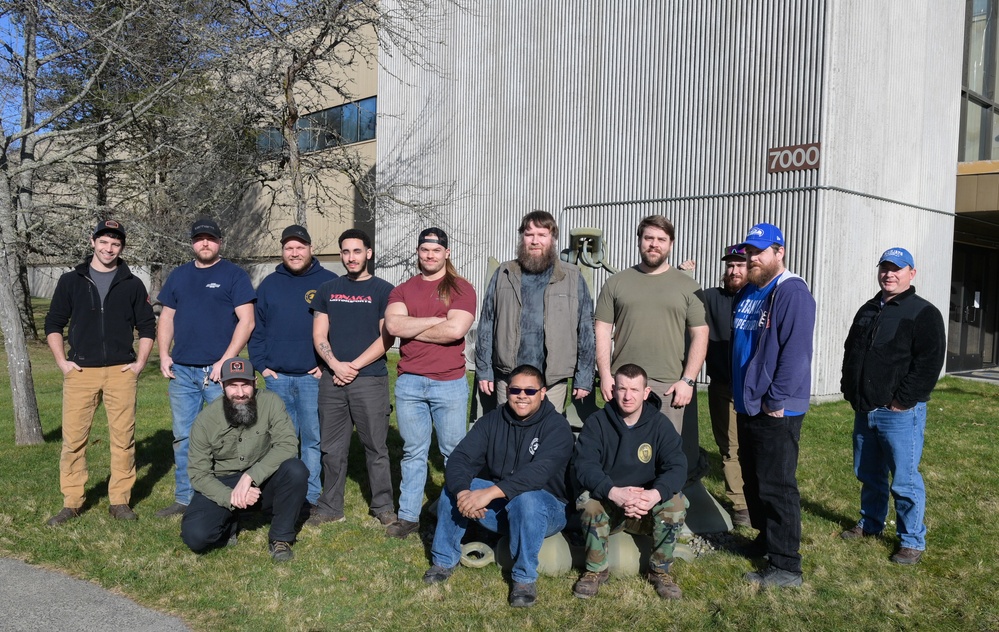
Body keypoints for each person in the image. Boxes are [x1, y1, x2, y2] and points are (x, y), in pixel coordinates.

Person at [422, 364, 573, 609]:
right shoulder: (493, 420)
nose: (522, 396)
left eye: (530, 391)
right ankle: (443, 561)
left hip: (548, 509)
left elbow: (537, 474)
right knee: (455, 484)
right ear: (508, 391)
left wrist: (487, 494)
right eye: (515, 390)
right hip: (503, 505)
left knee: (528, 499)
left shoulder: (557, 428)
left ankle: (523, 579)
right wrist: (464, 494)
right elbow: (460, 458)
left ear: (543, 393)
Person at [43, 220, 156, 525]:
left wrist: (140, 363)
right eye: (104, 242)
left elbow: (147, 326)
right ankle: (73, 501)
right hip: (81, 372)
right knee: (74, 440)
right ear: (92, 242)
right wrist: (62, 362)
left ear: (122, 248)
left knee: (123, 440)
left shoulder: (132, 283)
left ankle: (119, 501)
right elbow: (53, 324)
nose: (109, 248)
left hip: (121, 372)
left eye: (115, 244)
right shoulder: (71, 281)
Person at [840, 247, 945, 565]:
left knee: (904, 478)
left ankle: (911, 540)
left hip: (899, 413)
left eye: (897, 268)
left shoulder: (923, 312)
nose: (889, 273)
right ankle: (870, 523)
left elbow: (929, 363)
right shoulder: (868, 309)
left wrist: (903, 400)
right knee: (868, 473)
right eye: (885, 267)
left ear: (911, 273)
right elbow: (852, 350)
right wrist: (850, 389)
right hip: (865, 409)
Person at [731, 222, 815, 588]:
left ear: (779, 252)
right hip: (748, 403)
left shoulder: (791, 292)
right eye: (748, 252)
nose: (751, 258)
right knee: (754, 480)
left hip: (775, 407)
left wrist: (776, 399)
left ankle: (786, 566)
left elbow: (796, 353)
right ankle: (767, 539)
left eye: (759, 252)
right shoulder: (750, 290)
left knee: (777, 485)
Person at [156, 218, 256, 518]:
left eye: (210, 239)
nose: (205, 243)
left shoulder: (234, 275)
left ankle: (227, 499)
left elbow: (247, 320)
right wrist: (163, 354)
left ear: (219, 242)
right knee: (184, 437)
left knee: (228, 438)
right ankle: (185, 498)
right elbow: (167, 318)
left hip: (220, 375)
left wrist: (226, 359)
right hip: (183, 372)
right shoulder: (179, 276)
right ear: (192, 243)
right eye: (199, 239)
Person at [384, 228, 476, 539]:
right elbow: (394, 325)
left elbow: (455, 331)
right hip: (410, 382)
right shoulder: (402, 290)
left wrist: (412, 328)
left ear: (446, 253)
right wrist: (438, 321)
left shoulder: (461, 288)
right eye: (424, 249)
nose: (430, 255)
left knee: (453, 452)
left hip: (448, 382)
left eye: (436, 250)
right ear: (418, 252)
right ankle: (408, 516)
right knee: (413, 452)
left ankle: (456, 511)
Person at [571, 364, 688, 600]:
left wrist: (653, 495)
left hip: (646, 509)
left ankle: (659, 570)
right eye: (622, 388)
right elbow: (584, 466)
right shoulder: (597, 423)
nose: (627, 396)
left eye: (635, 390)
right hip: (611, 507)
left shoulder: (660, 425)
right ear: (613, 390)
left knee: (676, 503)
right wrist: (613, 492)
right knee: (588, 501)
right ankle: (595, 570)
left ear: (646, 392)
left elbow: (677, 467)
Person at [308, 229, 397, 527]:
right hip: (332, 380)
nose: (350, 258)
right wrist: (334, 363)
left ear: (368, 253)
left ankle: (383, 505)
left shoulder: (385, 290)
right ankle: (330, 506)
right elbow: (319, 333)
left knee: (376, 448)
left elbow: (387, 338)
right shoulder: (327, 289)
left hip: (369, 379)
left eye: (356, 251)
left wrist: (353, 366)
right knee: (331, 448)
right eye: (345, 252)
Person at [180, 358, 308, 562]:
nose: (240, 393)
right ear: (222, 386)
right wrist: (230, 496)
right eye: (232, 385)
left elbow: (288, 445)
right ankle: (230, 522)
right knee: (196, 537)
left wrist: (250, 477)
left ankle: (280, 538)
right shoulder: (205, 421)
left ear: (255, 383)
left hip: (263, 478)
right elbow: (198, 473)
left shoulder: (271, 402)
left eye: (245, 384)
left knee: (296, 470)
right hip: (223, 480)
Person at [248, 224, 337, 513]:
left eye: (300, 247)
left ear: (311, 249)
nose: (295, 252)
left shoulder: (328, 282)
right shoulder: (269, 284)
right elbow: (256, 329)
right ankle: (282, 491)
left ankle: (309, 496)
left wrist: (325, 364)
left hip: (313, 378)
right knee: (280, 441)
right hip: (277, 378)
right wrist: (262, 366)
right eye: (289, 248)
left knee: (312, 439)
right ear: (282, 251)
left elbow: (338, 330)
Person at [594, 215, 708, 435]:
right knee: (620, 448)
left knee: (664, 453)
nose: (654, 244)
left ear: (671, 244)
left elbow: (700, 334)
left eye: (661, 239)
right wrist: (606, 375)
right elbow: (602, 330)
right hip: (624, 382)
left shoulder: (689, 286)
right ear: (639, 241)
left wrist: (688, 380)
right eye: (649, 238)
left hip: (669, 386)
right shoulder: (616, 283)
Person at [475, 210, 594, 413]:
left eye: (542, 235)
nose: (535, 241)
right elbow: (486, 324)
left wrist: (584, 376)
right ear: (522, 237)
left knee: (546, 436)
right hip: (509, 377)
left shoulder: (572, 277)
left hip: (552, 381)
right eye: (529, 234)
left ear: (553, 238)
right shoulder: (504, 273)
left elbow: (586, 329)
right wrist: (484, 370)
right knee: (508, 433)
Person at [703, 244, 751, 527]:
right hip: (722, 385)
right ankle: (741, 504)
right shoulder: (711, 298)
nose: (733, 270)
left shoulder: (759, 297)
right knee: (730, 448)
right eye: (730, 266)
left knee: (754, 446)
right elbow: (683, 299)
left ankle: (757, 496)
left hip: (754, 388)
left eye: (739, 265)